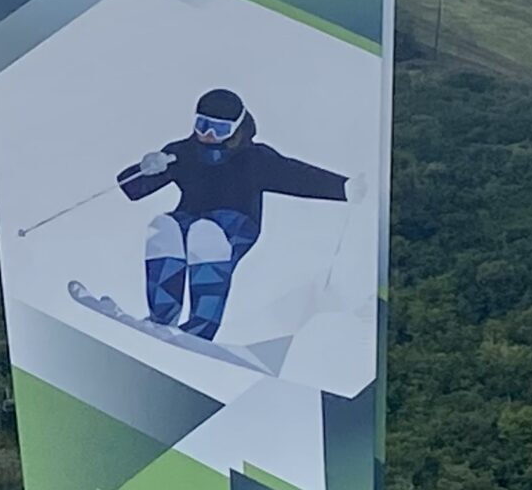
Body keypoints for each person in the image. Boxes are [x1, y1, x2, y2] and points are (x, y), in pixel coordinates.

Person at [113, 88, 360, 341]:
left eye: (218, 129)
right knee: (163, 228)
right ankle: (162, 317)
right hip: (187, 218)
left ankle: (202, 326)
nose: (208, 135)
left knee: (206, 234)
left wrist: (344, 187)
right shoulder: (183, 152)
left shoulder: (254, 159)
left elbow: (298, 176)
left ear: (236, 128)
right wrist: (146, 169)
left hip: (236, 224)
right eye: (202, 125)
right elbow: (132, 189)